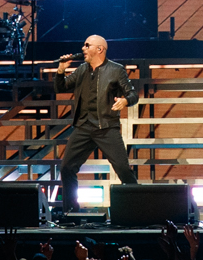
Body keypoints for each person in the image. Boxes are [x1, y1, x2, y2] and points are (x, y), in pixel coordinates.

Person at [52, 34, 138, 215]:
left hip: (106, 127)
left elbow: (133, 94)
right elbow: (61, 88)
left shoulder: (116, 70)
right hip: (83, 127)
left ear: (99, 49)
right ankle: (71, 212)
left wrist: (124, 101)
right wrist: (61, 70)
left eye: (87, 45)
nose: (83, 48)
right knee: (67, 168)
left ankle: (137, 209)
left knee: (123, 169)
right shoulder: (82, 70)